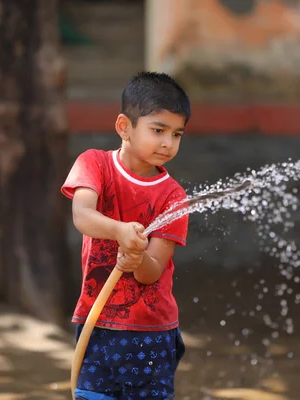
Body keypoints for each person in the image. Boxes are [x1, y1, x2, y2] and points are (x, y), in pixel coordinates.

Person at [61, 71, 191, 399]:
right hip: (97, 323)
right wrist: (120, 231)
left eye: (177, 134)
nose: (167, 143)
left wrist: (137, 258)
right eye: (158, 130)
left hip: (152, 332)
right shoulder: (95, 165)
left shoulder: (173, 196)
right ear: (124, 127)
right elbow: (83, 216)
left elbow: (152, 272)